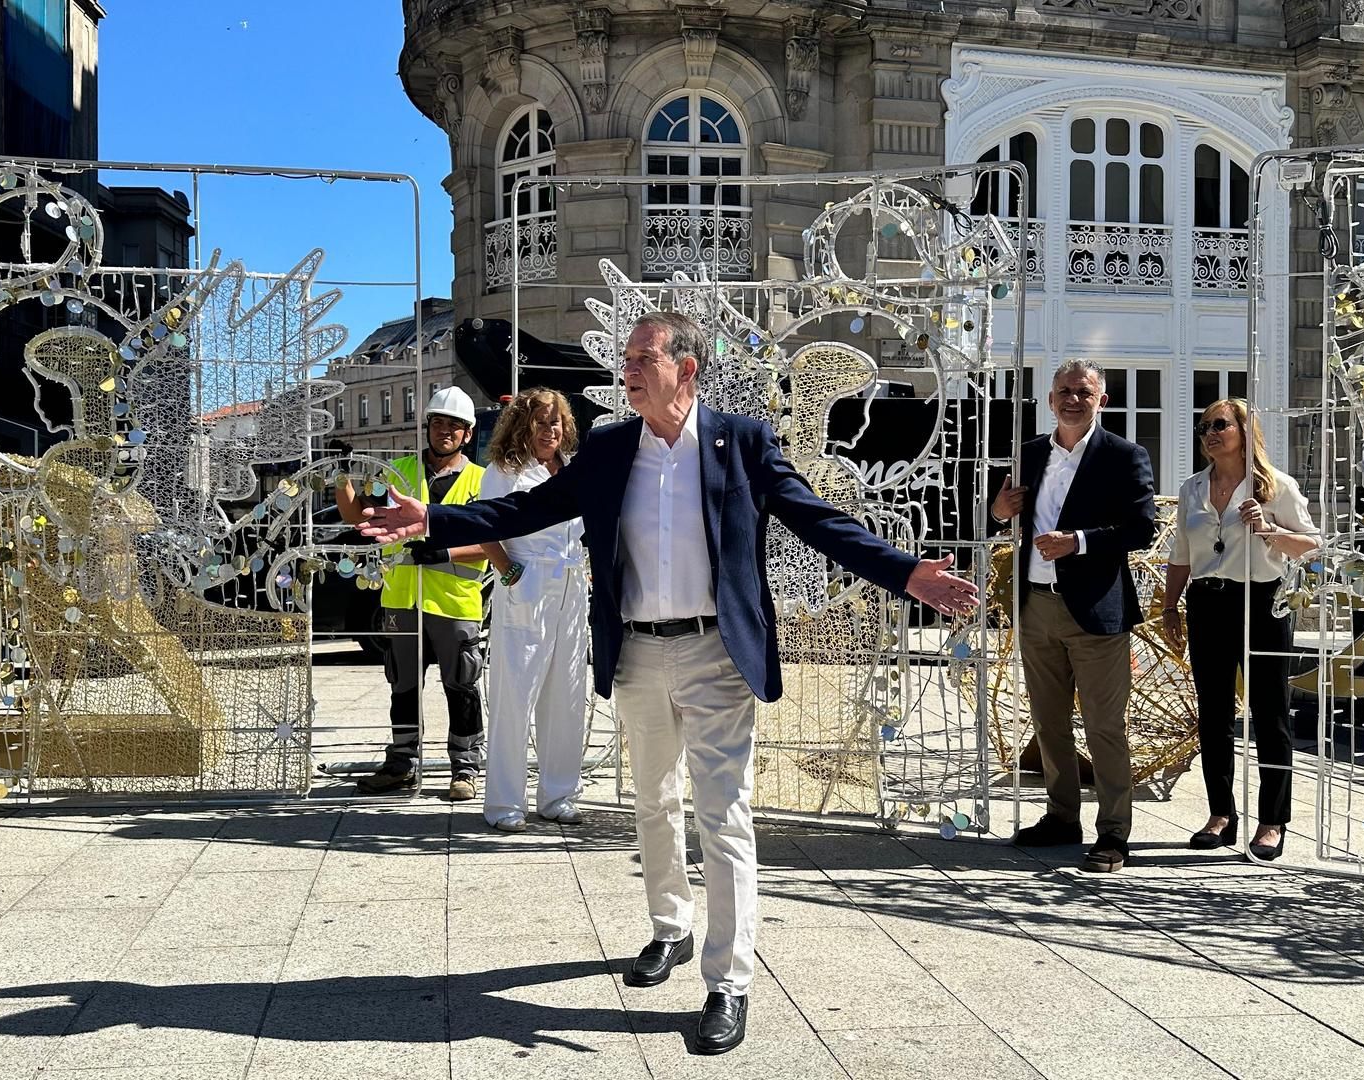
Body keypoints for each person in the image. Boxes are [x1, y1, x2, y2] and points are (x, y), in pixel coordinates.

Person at [360, 311, 978, 1056]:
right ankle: (670, 928)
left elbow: (817, 518)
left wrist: (906, 571)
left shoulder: (741, 443)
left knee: (724, 817)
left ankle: (729, 982)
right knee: (653, 802)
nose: (628, 370)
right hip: (641, 654)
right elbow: (527, 507)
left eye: (642, 357)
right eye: (626, 358)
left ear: (686, 369)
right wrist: (433, 519)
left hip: (720, 653)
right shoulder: (613, 448)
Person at [991, 358, 1157, 874]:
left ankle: (1113, 834)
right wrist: (998, 512)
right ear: (1050, 398)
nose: (1072, 399)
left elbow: (1142, 530)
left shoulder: (1124, 456)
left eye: (1083, 392)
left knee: (1105, 726)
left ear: (1100, 399)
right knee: (1048, 722)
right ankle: (1062, 817)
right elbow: (997, 517)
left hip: (1096, 612)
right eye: (1064, 390)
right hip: (1037, 605)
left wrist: (1078, 542)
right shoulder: (1029, 453)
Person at [1162, 398, 1319, 861]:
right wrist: (1171, 607)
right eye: (1203, 426)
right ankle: (1221, 815)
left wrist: (1268, 528)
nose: (1210, 433)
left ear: (1244, 430)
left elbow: (1310, 546)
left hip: (1262, 602)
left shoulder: (1276, 486)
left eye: (1220, 425)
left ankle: (1272, 820)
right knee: (1212, 714)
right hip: (1207, 601)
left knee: (1270, 714)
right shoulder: (1192, 489)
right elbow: (1181, 553)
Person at [334, 385, 493, 800]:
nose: (444, 431)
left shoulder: (482, 481)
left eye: (453, 426)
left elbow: (499, 542)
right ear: (427, 427)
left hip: (455, 601)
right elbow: (358, 517)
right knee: (403, 685)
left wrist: (445, 550)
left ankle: (465, 767)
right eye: (438, 423)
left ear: (467, 434)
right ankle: (401, 764)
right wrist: (340, 474)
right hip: (402, 600)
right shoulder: (398, 473)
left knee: (461, 684)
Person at [475, 388, 589, 834]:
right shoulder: (503, 472)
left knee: (566, 694)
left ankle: (558, 795)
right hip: (528, 582)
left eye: (557, 422)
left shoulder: (574, 470)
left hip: (572, 583)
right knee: (515, 694)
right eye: (541, 422)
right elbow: (484, 525)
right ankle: (504, 802)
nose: (551, 430)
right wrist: (508, 573)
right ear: (523, 426)